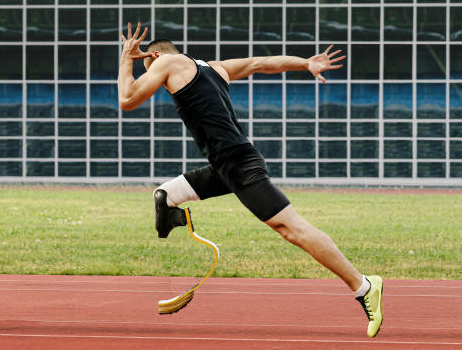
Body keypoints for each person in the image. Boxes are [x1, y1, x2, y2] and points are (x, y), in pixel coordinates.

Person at [117, 22, 384, 338]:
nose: (158, 83)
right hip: (225, 166)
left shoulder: (167, 62)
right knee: (165, 194)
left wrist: (126, 60)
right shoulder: (213, 68)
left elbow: (127, 99)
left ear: (158, 55)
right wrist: (305, 63)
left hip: (238, 165)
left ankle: (364, 285)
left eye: (153, 74)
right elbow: (260, 64)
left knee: (292, 229)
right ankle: (174, 218)